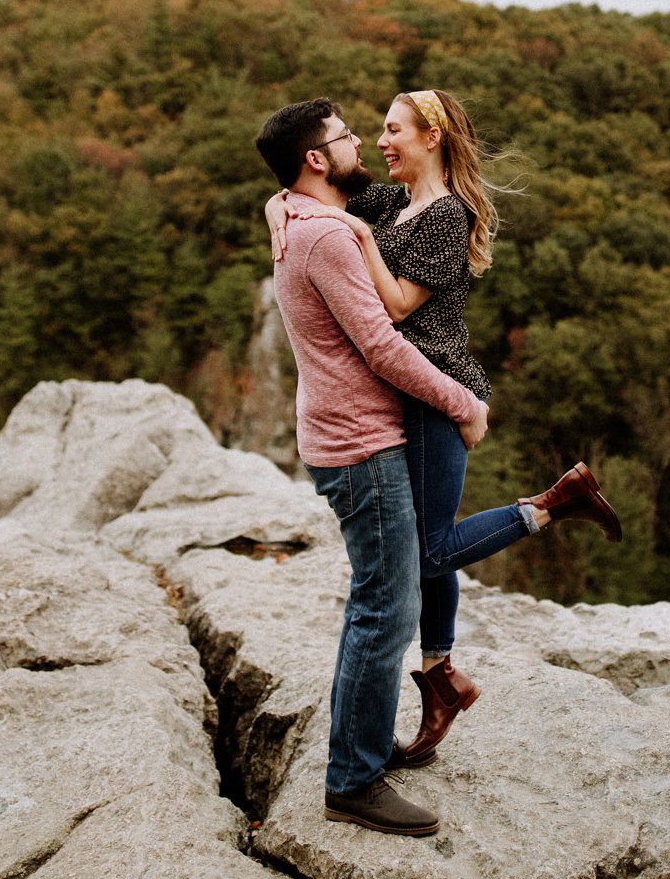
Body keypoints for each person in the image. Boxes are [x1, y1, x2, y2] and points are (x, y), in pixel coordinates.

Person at [265, 88, 621, 772]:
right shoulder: (389, 202)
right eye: (374, 131)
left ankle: (551, 506)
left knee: (428, 552)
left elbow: (396, 305)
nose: (381, 141)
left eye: (394, 130)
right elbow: (304, 196)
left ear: (431, 138)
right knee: (431, 544)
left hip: (437, 391)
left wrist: (361, 241)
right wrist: (279, 207)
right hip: (405, 393)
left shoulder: (443, 217)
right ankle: (439, 676)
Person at [253, 97, 486, 838]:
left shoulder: (305, 216)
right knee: (384, 610)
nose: (362, 142)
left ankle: (364, 745)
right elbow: (384, 345)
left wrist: (281, 201)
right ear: (317, 159)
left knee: (381, 600)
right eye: (348, 135)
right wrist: (465, 405)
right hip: (361, 443)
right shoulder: (324, 236)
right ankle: (352, 779)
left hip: (342, 437)